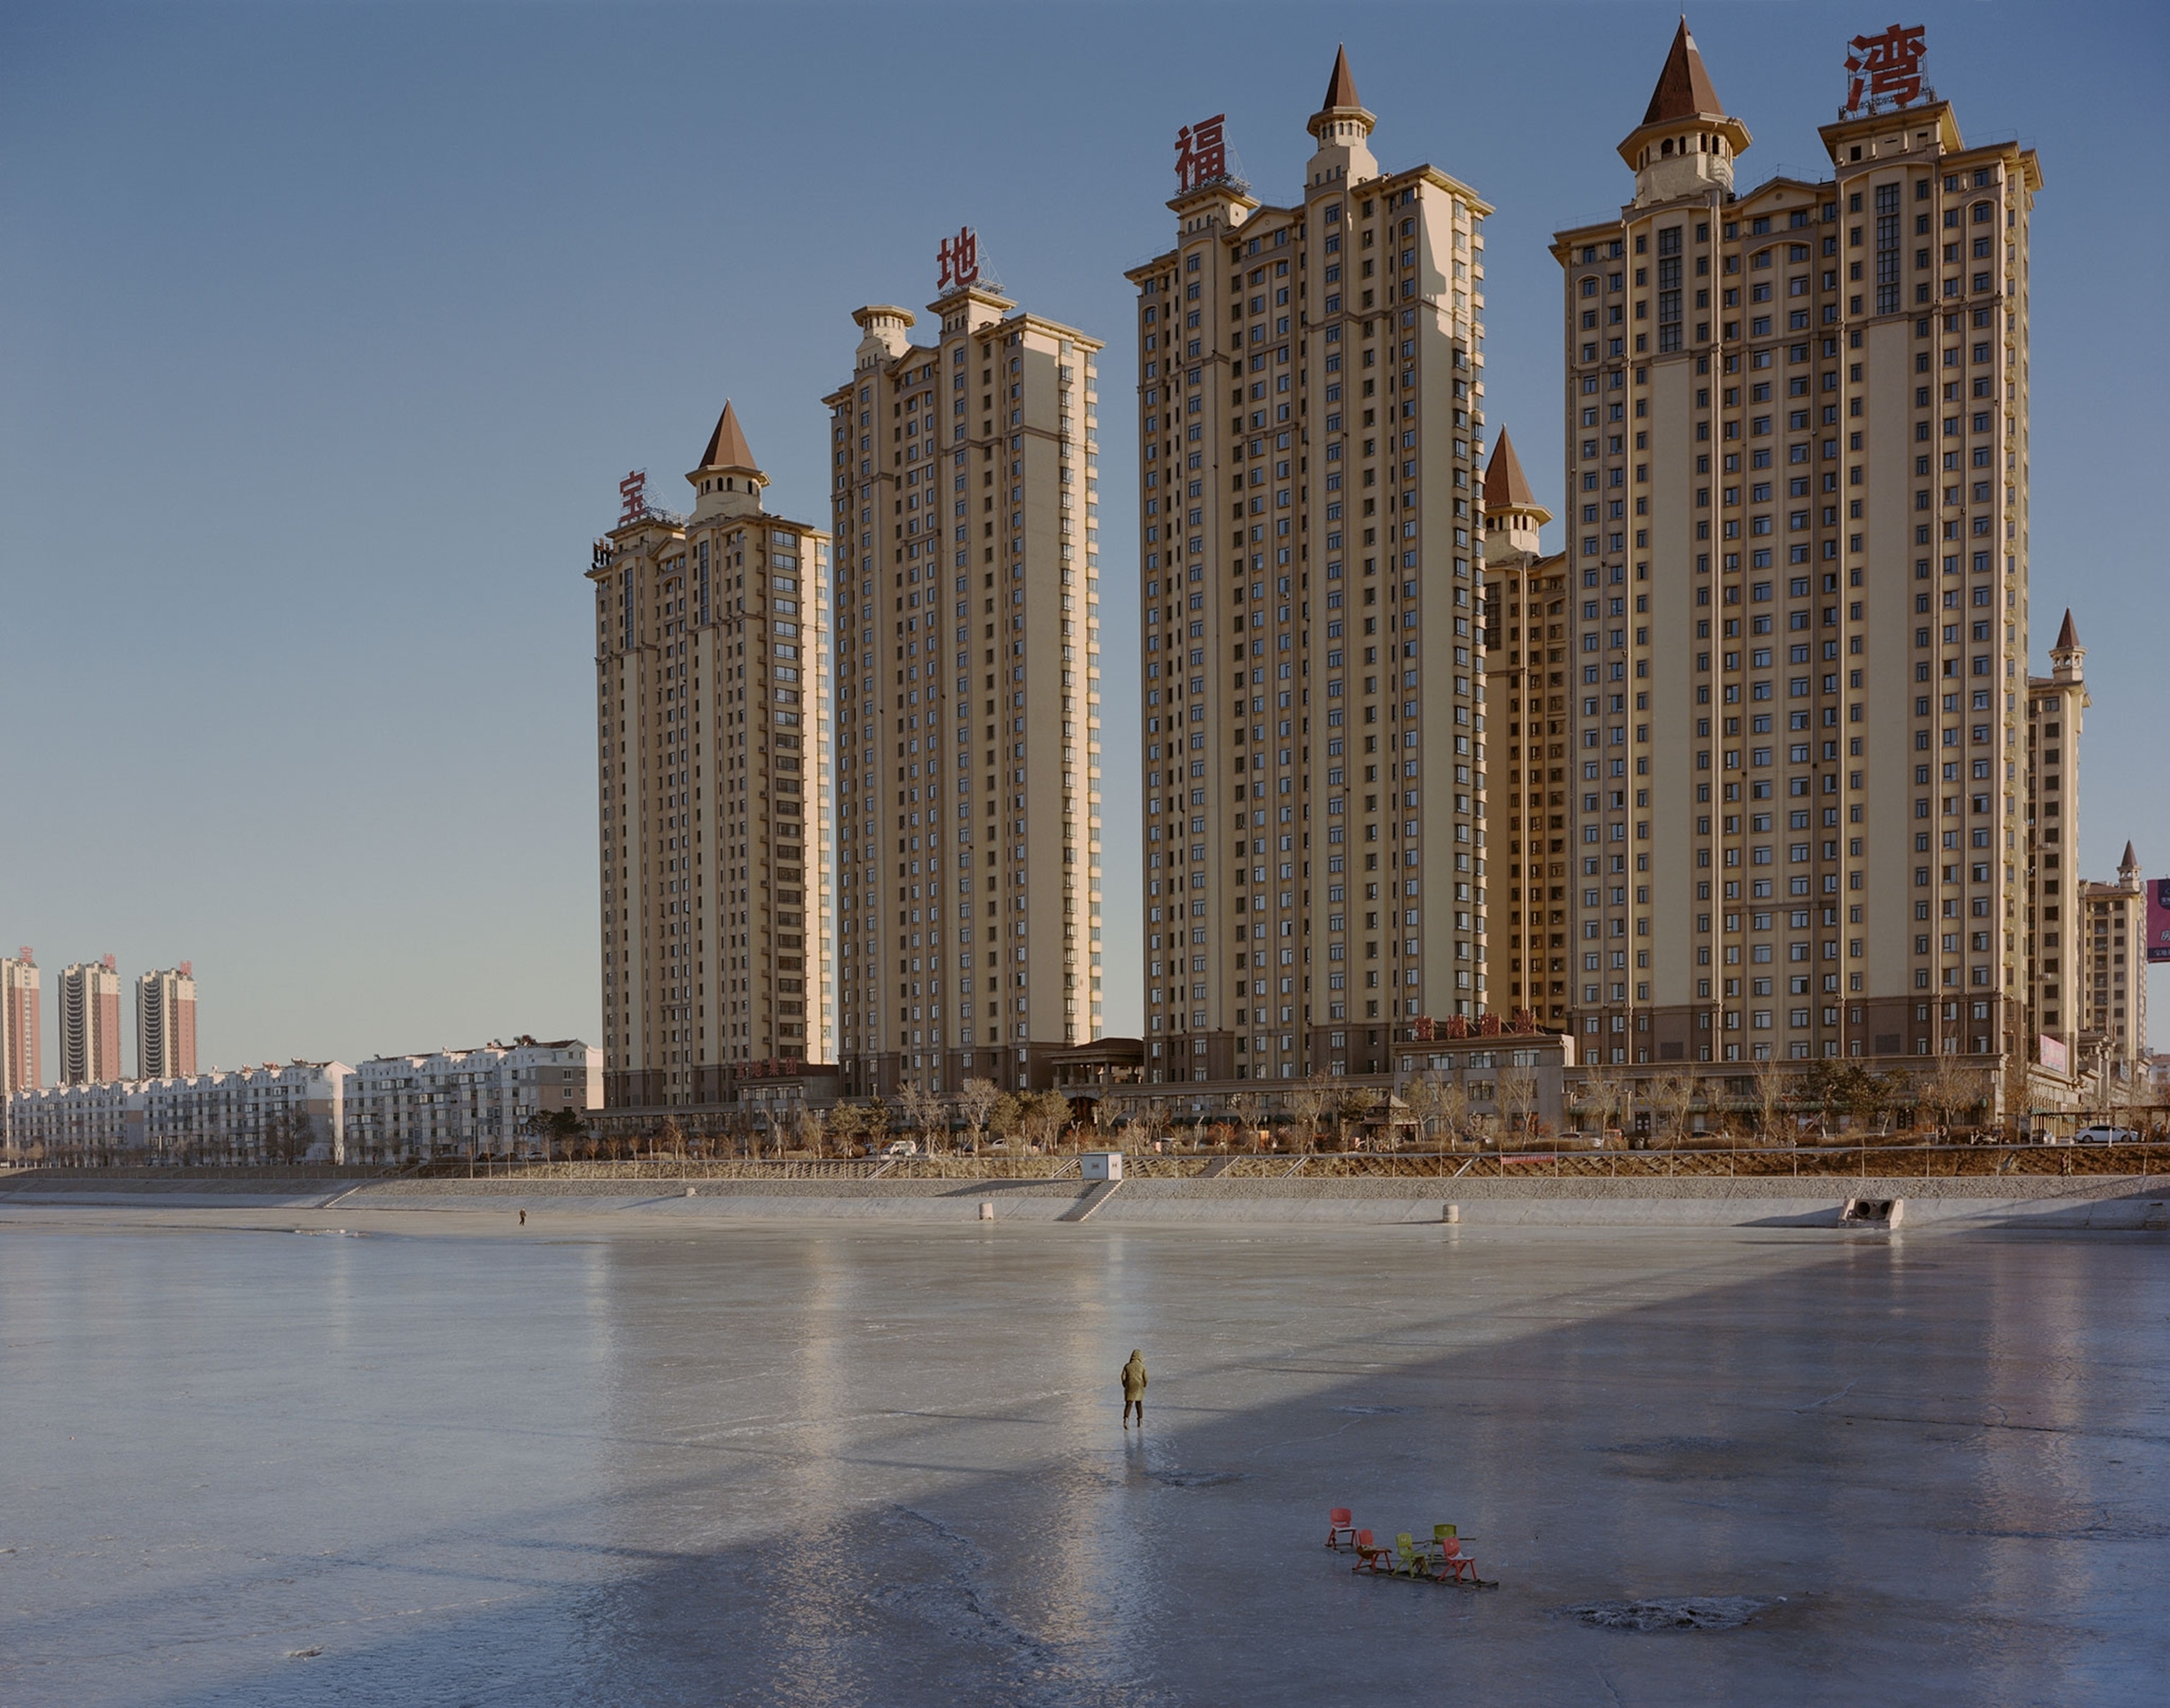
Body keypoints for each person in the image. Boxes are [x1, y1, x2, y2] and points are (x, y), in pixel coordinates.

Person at [1120, 1349, 1147, 1429]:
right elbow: (1146, 1378)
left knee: (1129, 1404)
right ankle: (1140, 1421)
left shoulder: (1127, 1366)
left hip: (1130, 1386)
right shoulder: (1142, 1367)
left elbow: (1123, 1377)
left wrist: (1125, 1385)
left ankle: (1126, 1420)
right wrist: (1144, 1385)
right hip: (1139, 1386)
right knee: (1139, 1404)